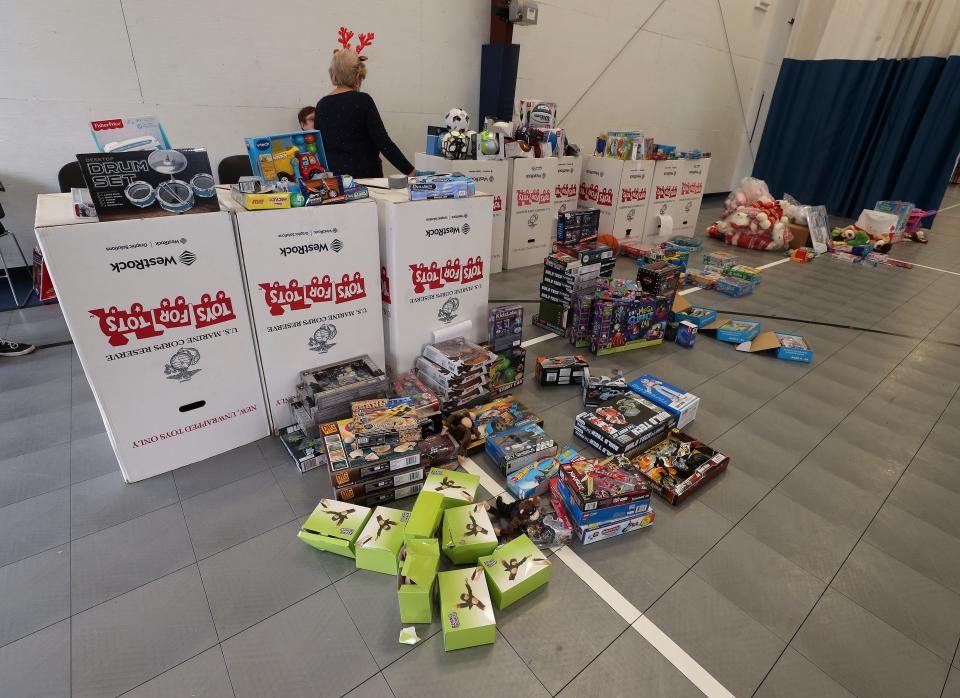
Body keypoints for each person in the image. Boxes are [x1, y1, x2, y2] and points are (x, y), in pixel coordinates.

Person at [314, 49, 415, 179]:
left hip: (336, 180)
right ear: (356, 76)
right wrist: (410, 170)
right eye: (361, 77)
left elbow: (320, 148)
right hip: (367, 177)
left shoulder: (322, 104)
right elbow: (383, 141)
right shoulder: (362, 100)